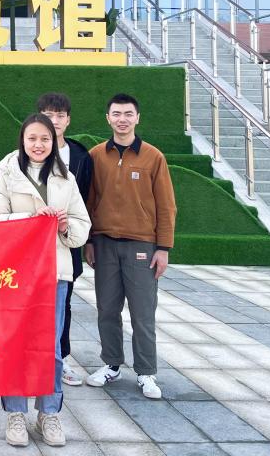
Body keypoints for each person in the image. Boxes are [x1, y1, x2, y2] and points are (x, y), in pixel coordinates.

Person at [0, 114, 90, 448]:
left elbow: (82, 225)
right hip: (15, 275)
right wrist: (31, 219)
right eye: (32, 138)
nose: (38, 144)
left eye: (45, 138)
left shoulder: (66, 178)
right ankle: (16, 413)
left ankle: (49, 412)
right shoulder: (3, 175)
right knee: (15, 344)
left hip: (55, 274)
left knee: (52, 348)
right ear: (22, 140)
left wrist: (65, 227)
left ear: (53, 141)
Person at [84, 93, 176, 401]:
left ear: (137, 118)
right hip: (104, 244)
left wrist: (163, 248)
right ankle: (111, 364)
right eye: (116, 114)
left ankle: (146, 371)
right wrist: (89, 241)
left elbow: (166, 206)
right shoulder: (96, 155)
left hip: (142, 246)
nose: (122, 119)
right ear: (107, 118)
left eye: (127, 114)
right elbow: (89, 201)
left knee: (142, 313)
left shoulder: (153, 157)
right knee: (107, 309)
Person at [36, 93, 94, 387]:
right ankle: (32, 358)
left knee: (64, 302)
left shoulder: (81, 157)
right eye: (48, 115)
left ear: (68, 120)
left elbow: (88, 202)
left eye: (60, 116)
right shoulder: (26, 154)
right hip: (32, 246)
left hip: (66, 242)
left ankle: (62, 357)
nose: (54, 121)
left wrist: (85, 239)